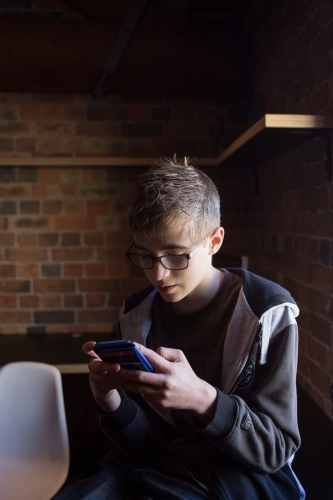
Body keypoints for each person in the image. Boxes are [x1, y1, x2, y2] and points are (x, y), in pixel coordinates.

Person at [54, 157, 305, 500]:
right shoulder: (136, 314)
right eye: (144, 255)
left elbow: (276, 451)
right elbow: (149, 449)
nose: (158, 274)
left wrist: (203, 399)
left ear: (214, 242)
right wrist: (109, 399)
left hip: (234, 480)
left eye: (175, 256)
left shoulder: (266, 311)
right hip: (154, 472)